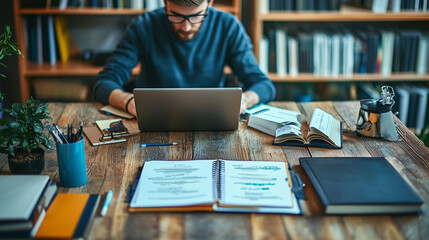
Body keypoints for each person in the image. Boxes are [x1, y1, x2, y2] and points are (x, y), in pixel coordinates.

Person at [93, 0, 276, 116]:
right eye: (177, 16)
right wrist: (129, 103)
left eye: (196, 16)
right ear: (165, 3)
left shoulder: (228, 26)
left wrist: (244, 100)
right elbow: (104, 83)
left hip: (211, 121)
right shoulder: (144, 25)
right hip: (153, 125)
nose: (186, 27)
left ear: (210, 3)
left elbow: (263, 85)